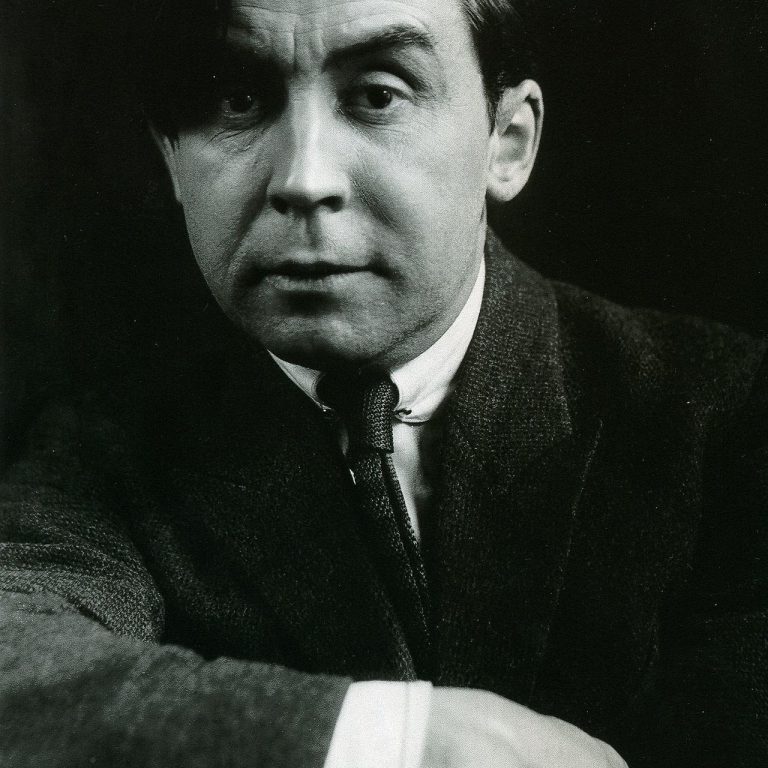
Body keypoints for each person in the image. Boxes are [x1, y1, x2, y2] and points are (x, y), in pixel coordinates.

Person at [1, 0, 766, 766]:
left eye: (377, 95)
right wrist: (390, 739)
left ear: (507, 142)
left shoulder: (728, 411)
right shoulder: (102, 450)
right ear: (171, 158)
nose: (304, 180)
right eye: (238, 100)